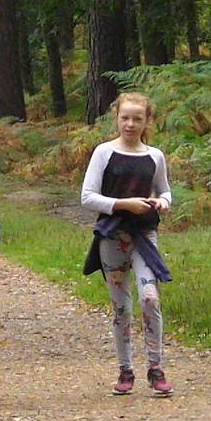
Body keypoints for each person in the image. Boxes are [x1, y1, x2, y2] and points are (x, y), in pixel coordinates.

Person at [80, 91, 174, 397]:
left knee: (149, 298)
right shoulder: (104, 153)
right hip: (112, 236)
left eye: (137, 119)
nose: (130, 124)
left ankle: (155, 368)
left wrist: (162, 202)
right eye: (125, 118)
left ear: (147, 121)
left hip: (144, 237)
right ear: (116, 119)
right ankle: (125, 370)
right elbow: (88, 197)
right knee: (120, 306)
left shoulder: (155, 156)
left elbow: (165, 191)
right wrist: (123, 204)